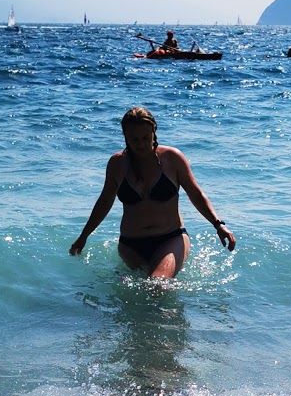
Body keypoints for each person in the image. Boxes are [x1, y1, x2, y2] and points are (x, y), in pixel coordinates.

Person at [70, 106, 236, 279]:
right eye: (134, 139)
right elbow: (104, 201)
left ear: (154, 132)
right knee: (134, 294)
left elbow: (196, 193)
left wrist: (218, 224)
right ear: (125, 136)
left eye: (145, 138)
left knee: (157, 284)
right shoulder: (117, 164)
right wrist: (84, 236)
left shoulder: (173, 158)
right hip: (130, 243)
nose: (140, 144)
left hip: (171, 238)